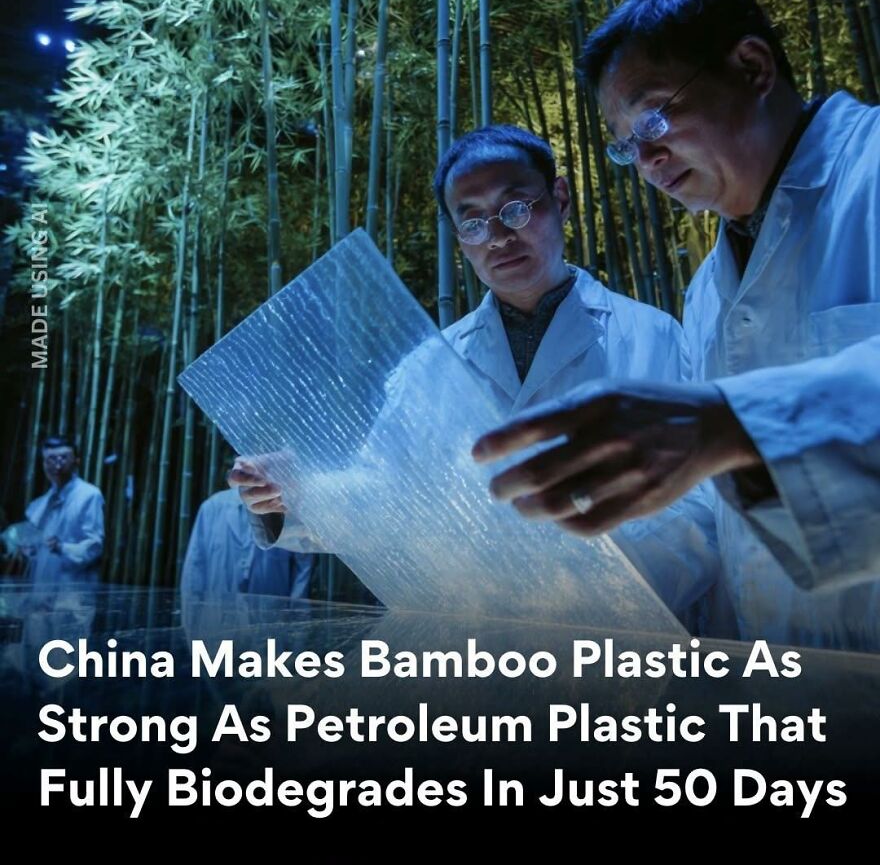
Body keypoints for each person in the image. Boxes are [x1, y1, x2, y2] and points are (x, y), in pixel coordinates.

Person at [473, 0, 880, 651]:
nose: (647, 160)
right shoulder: (705, 295)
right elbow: (710, 508)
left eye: (654, 117)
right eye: (626, 144)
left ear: (752, 68)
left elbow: (723, 436)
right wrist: (574, 584)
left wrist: (732, 424)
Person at [232, 124, 724, 630]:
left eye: (516, 209)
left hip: (617, 640)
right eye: (473, 224)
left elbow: (703, 504)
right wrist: (296, 491)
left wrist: (587, 582)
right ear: (459, 239)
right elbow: (385, 496)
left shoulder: (654, 336)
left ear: (559, 198)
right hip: (476, 642)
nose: (499, 237)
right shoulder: (428, 369)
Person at [181, 486, 313, 598]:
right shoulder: (211, 507)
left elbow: (303, 565)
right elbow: (195, 565)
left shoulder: (287, 508)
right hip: (218, 612)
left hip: (272, 613)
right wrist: (191, 618)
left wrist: (296, 614)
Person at [24, 436, 104, 585]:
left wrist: (62, 547)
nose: (57, 466)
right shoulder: (38, 504)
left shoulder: (89, 495)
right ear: (43, 464)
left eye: (63, 458)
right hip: (41, 587)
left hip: (73, 587)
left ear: (76, 462)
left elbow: (94, 547)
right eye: (51, 459)